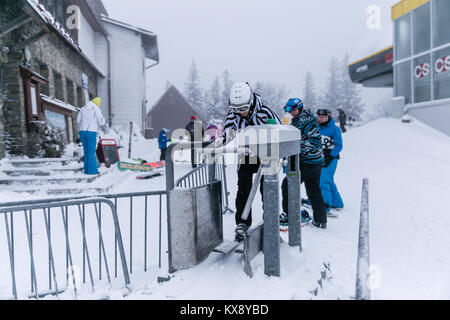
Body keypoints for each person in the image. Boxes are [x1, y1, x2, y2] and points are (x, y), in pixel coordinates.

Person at [216, 81, 281, 241]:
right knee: (243, 188)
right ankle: (242, 223)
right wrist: (221, 142)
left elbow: (279, 131)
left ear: (251, 101)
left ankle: (270, 222)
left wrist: (278, 149)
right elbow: (227, 134)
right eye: (236, 109)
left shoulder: (265, 112)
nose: (240, 112)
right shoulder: (233, 116)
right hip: (246, 154)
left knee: (267, 188)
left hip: (266, 154)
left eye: (243, 108)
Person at [280, 98, 327, 229]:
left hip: (309, 162)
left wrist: (295, 146)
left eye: (293, 110)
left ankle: (289, 215)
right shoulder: (299, 120)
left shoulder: (307, 122)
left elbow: (315, 141)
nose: (291, 113)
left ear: (300, 108)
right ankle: (320, 220)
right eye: (288, 110)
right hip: (312, 162)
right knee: (313, 190)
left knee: (287, 184)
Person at [317, 109, 344, 211]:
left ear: (328, 116)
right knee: (328, 180)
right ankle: (337, 203)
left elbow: (339, 145)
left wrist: (330, 155)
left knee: (323, 181)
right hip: (320, 156)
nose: (321, 118)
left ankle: (326, 205)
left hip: (331, 157)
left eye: (323, 116)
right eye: (320, 116)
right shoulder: (318, 127)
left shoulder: (334, 129)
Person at [76, 97, 106, 175]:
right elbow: (102, 122)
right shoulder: (96, 109)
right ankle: (92, 171)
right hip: (91, 132)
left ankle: (87, 170)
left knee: (86, 152)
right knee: (91, 152)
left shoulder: (83, 108)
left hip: (82, 132)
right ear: (97, 103)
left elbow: (78, 120)